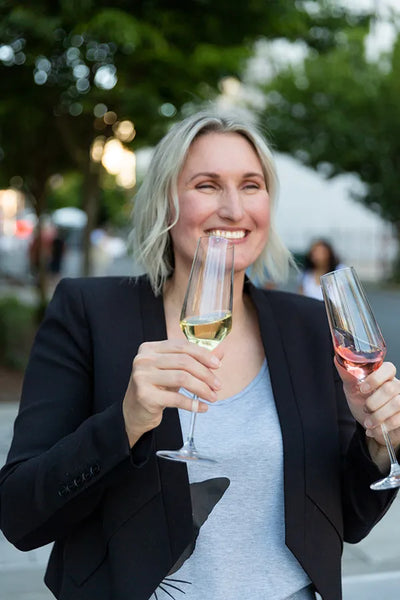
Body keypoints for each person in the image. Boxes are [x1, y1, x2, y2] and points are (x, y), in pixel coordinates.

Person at [1, 109, 400, 600]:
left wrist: (377, 445)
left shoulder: (307, 325)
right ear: (166, 202)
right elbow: (21, 516)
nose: (233, 209)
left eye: (251, 185)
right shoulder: (89, 312)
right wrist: (125, 423)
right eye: (207, 185)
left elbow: (349, 520)